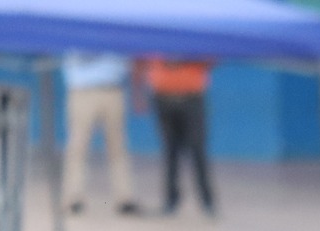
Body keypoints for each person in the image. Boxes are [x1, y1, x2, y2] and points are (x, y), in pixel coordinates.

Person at [61, 50, 139, 216]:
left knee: (118, 147)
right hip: (82, 89)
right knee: (77, 147)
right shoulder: (77, 26)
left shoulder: (116, 27)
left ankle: (125, 198)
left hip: (112, 88)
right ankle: (73, 198)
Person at [139, 57, 215, 216]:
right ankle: (171, 199)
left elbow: (212, 59)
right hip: (163, 97)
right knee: (170, 150)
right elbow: (141, 60)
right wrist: (139, 93)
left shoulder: (195, 36)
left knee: (197, 149)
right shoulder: (157, 35)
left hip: (191, 96)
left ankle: (207, 201)